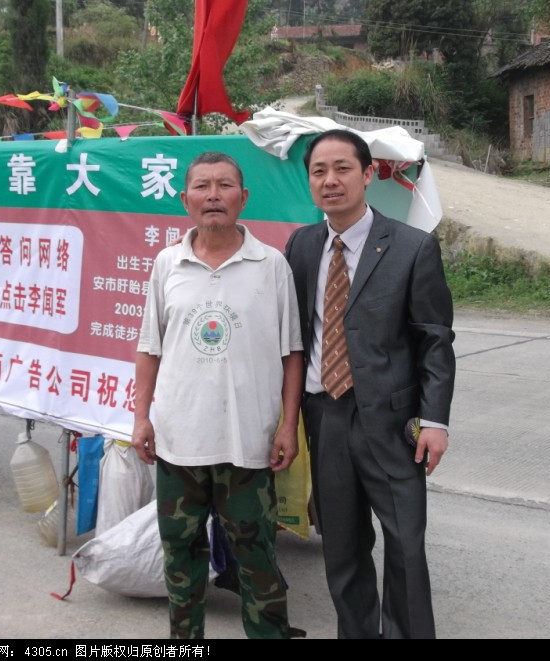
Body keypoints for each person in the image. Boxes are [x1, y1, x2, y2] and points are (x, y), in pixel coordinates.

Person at [284, 129, 456, 639]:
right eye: (319, 171)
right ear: (310, 182)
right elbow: (295, 331)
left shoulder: (412, 248)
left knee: (405, 544)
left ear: (367, 174)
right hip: (325, 415)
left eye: (342, 169)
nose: (330, 180)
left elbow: (435, 342)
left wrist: (436, 421)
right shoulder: (302, 244)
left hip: (393, 423)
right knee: (342, 545)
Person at [131, 151, 304, 639]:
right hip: (179, 442)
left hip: (248, 443)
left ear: (243, 198)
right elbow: (149, 348)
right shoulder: (168, 263)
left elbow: (292, 352)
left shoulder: (271, 265)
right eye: (202, 187)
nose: (213, 195)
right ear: (184, 199)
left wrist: (288, 425)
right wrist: (141, 418)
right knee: (181, 559)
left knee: (258, 559)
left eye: (225, 186)